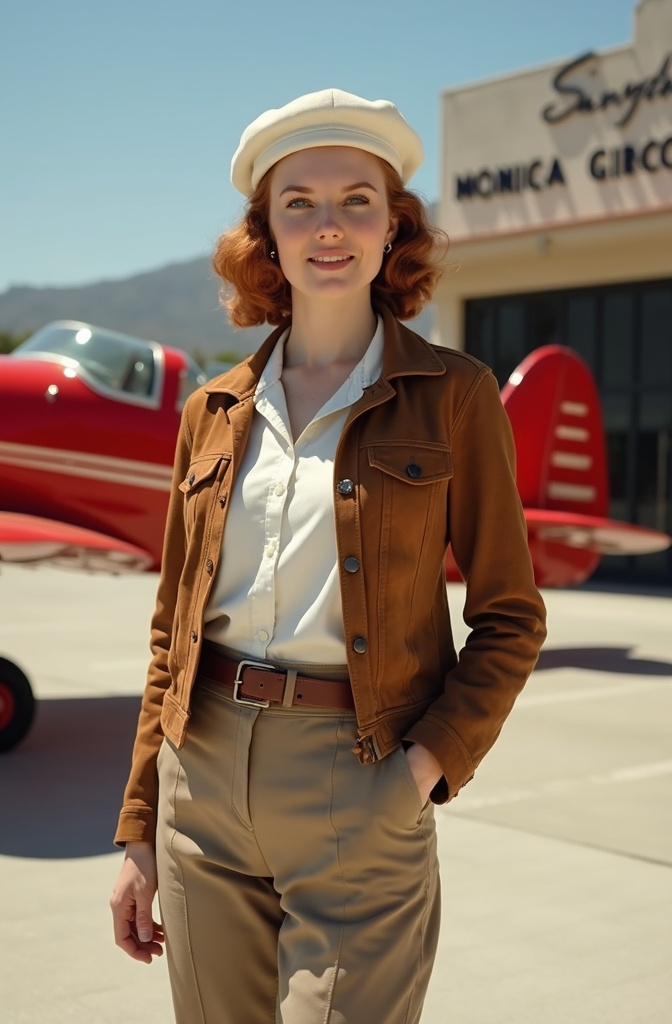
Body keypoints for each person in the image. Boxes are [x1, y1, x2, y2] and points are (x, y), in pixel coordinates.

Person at [110, 87, 547, 1024]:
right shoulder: (212, 414)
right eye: (298, 202)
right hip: (204, 780)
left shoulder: (456, 397)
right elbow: (170, 636)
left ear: (396, 228)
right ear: (265, 234)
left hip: (363, 775)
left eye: (358, 199)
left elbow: (511, 617)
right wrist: (142, 826)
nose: (329, 226)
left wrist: (420, 771)